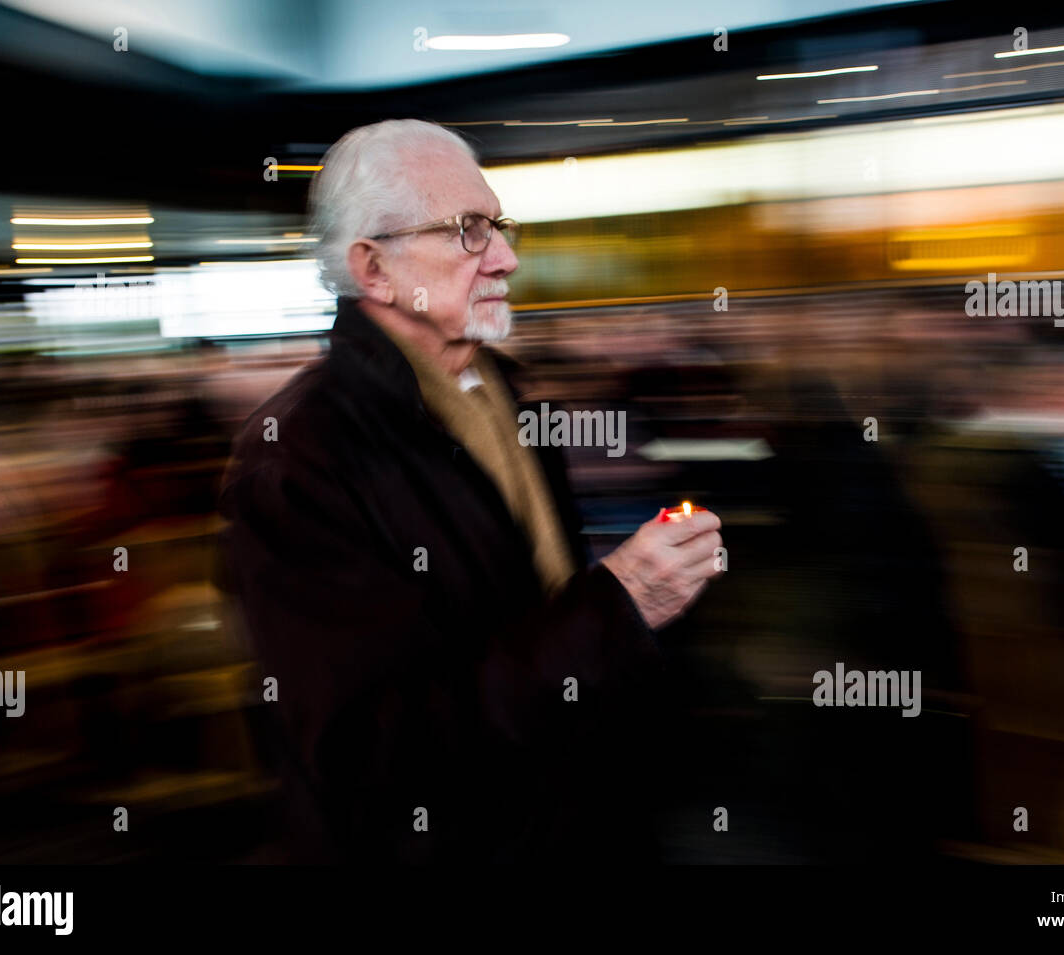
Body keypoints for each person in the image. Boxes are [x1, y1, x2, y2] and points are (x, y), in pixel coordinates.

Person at [215, 119, 723, 862]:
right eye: (468, 231)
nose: (507, 258)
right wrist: (617, 607)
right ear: (375, 269)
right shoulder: (298, 457)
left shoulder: (503, 393)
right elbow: (371, 753)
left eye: (500, 227)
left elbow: (527, 613)